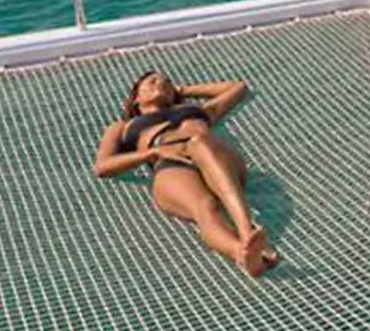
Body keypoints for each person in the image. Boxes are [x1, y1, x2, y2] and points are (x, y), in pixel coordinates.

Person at [92, 71, 281, 276]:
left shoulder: (199, 111)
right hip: (169, 164)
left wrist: (183, 90)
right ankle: (242, 254)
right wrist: (153, 152)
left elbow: (237, 88)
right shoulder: (122, 127)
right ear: (136, 97)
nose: (161, 83)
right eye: (152, 81)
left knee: (199, 143)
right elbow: (103, 166)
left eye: (167, 82)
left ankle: (246, 231)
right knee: (205, 206)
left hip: (213, 153)